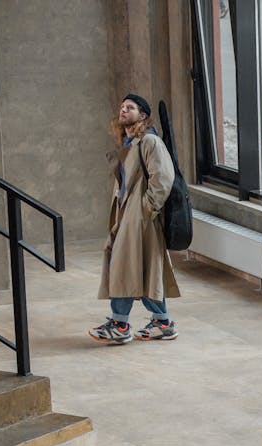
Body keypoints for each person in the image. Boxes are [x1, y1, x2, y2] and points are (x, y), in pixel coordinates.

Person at [90, 93, 180, 344]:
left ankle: (119, 324)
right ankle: (162, 322)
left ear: (142, 115)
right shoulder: (131, 143)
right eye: (122, 107)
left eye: (130, 107)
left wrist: (145, 210)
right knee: (142, 269)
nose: (123, 110)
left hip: (141, 218)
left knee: (123, 266)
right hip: (129, 216)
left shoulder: (150, 142)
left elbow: (163, 178)